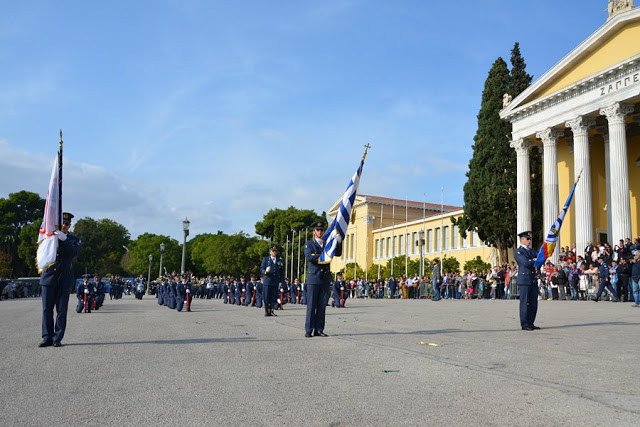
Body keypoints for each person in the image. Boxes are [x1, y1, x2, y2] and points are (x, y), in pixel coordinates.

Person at [39, 212, 81, 347]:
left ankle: (57, 337)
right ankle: (47, 337)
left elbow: (73, 252)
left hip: (64, 278)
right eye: (62, 223)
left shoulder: (74, 239)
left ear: (70, 226)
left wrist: (65, 240)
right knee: (47, 309)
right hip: (49, 277)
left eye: (67, 224)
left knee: (61, 310)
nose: (64, 226)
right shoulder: (48, 237)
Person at [303, 221, 342, 338]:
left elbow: (338, 253)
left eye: (321, 230)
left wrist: (338, 242)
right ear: (314, 232)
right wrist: (323, 255)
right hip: (314, 278)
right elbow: (310, 257)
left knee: (321, 305)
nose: (319, 232)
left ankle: (319, 329)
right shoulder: (309, 244)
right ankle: (309, 329)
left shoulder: (327, 244)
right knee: (311, 305)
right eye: (317, 230)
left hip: (325, 278)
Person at [513, 231, 540, 331]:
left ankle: (531, 322)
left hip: (532, 279)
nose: (529, 241)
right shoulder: (518, 251)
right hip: (524, 279)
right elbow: (525, 262)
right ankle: (524, 324)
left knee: (533, 303)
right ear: (522, 240)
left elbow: (540, 256)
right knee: (524, 302)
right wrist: (535, 261)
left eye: (530, 239)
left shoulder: (531, 251)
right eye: (527, 239)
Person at [260, 245, 284, 317]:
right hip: (267, 280)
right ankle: (267, 311)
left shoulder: (279, 260)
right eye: (273, 251)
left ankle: (272, 310)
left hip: (275, 281)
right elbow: (261, 269)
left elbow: (281, 272)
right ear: (270, 252)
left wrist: (280, 281)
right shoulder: (266, 259)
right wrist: (265, 272)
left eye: (275, 251)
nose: (274, 252)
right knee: (266, 296)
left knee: (274, 296)